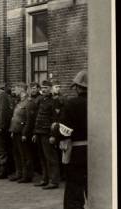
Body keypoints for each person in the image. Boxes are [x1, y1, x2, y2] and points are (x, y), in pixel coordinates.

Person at [51, 71, 87, 209]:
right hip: (97, 152)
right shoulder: (100, 102)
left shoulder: (72, 104)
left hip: (77, 152)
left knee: (74, 189)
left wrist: (55, 129)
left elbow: (64, 130)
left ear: (77, 87)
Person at [32, 80, 60, 189]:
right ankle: (45, 179)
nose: (43, 90)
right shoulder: (41, 100)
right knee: (42, 157)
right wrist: (35, 132)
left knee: (51, 158)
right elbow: (38, 118)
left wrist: (53, 135)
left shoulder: (54, 102)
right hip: (39, 132)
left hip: (47, 133)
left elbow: (55, 120)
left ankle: (54, 181)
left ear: (51, 89)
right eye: (42, 88)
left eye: (46, 88)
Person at [8, 83, 37, 183]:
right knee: (17, 154)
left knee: (25, 155)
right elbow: (15, 118)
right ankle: (19, 173)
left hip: (22, 133)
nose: (14, 91)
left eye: (16, 89)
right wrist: (12, 130)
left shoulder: (29, 103)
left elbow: (29, 120)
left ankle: (27, 175)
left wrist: (25, 133)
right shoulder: (19, 102)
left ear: (21, 90)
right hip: (16, 131)